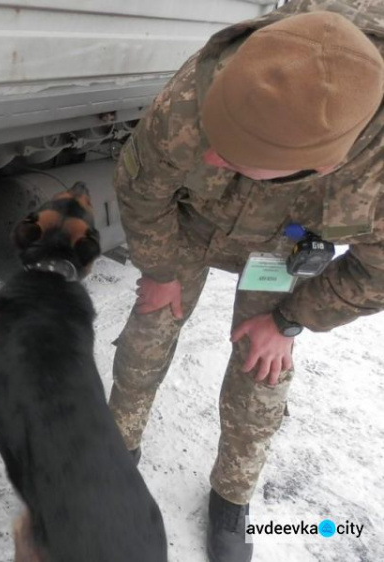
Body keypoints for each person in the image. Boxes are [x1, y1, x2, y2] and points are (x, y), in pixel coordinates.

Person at [110, 1, 384, 561]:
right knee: (148, 330)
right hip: (187, 222)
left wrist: (289, 321)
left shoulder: (375, 176)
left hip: (283, 240)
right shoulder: (203, 92)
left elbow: (378, 272)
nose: (210, 153)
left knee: (265, 367)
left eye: (233, 157)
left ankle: (231, 496)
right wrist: (161, 272)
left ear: (321, 166)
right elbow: (142, 186)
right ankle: (114, 457)